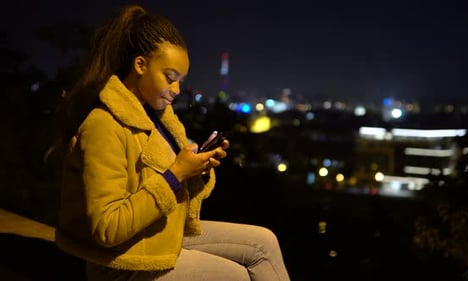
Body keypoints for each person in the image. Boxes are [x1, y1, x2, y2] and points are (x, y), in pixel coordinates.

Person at [48, 4, 290, 281]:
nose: (176, 89)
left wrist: (198, 169)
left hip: (153, 238)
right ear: (140, 65)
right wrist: (176, 174)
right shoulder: (104, 124)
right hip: (118, 263)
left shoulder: (157, 118)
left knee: (264, 243)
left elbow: (170, 181)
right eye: (170, 77)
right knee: (237, 276)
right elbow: (108, 228)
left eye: (181, 81)